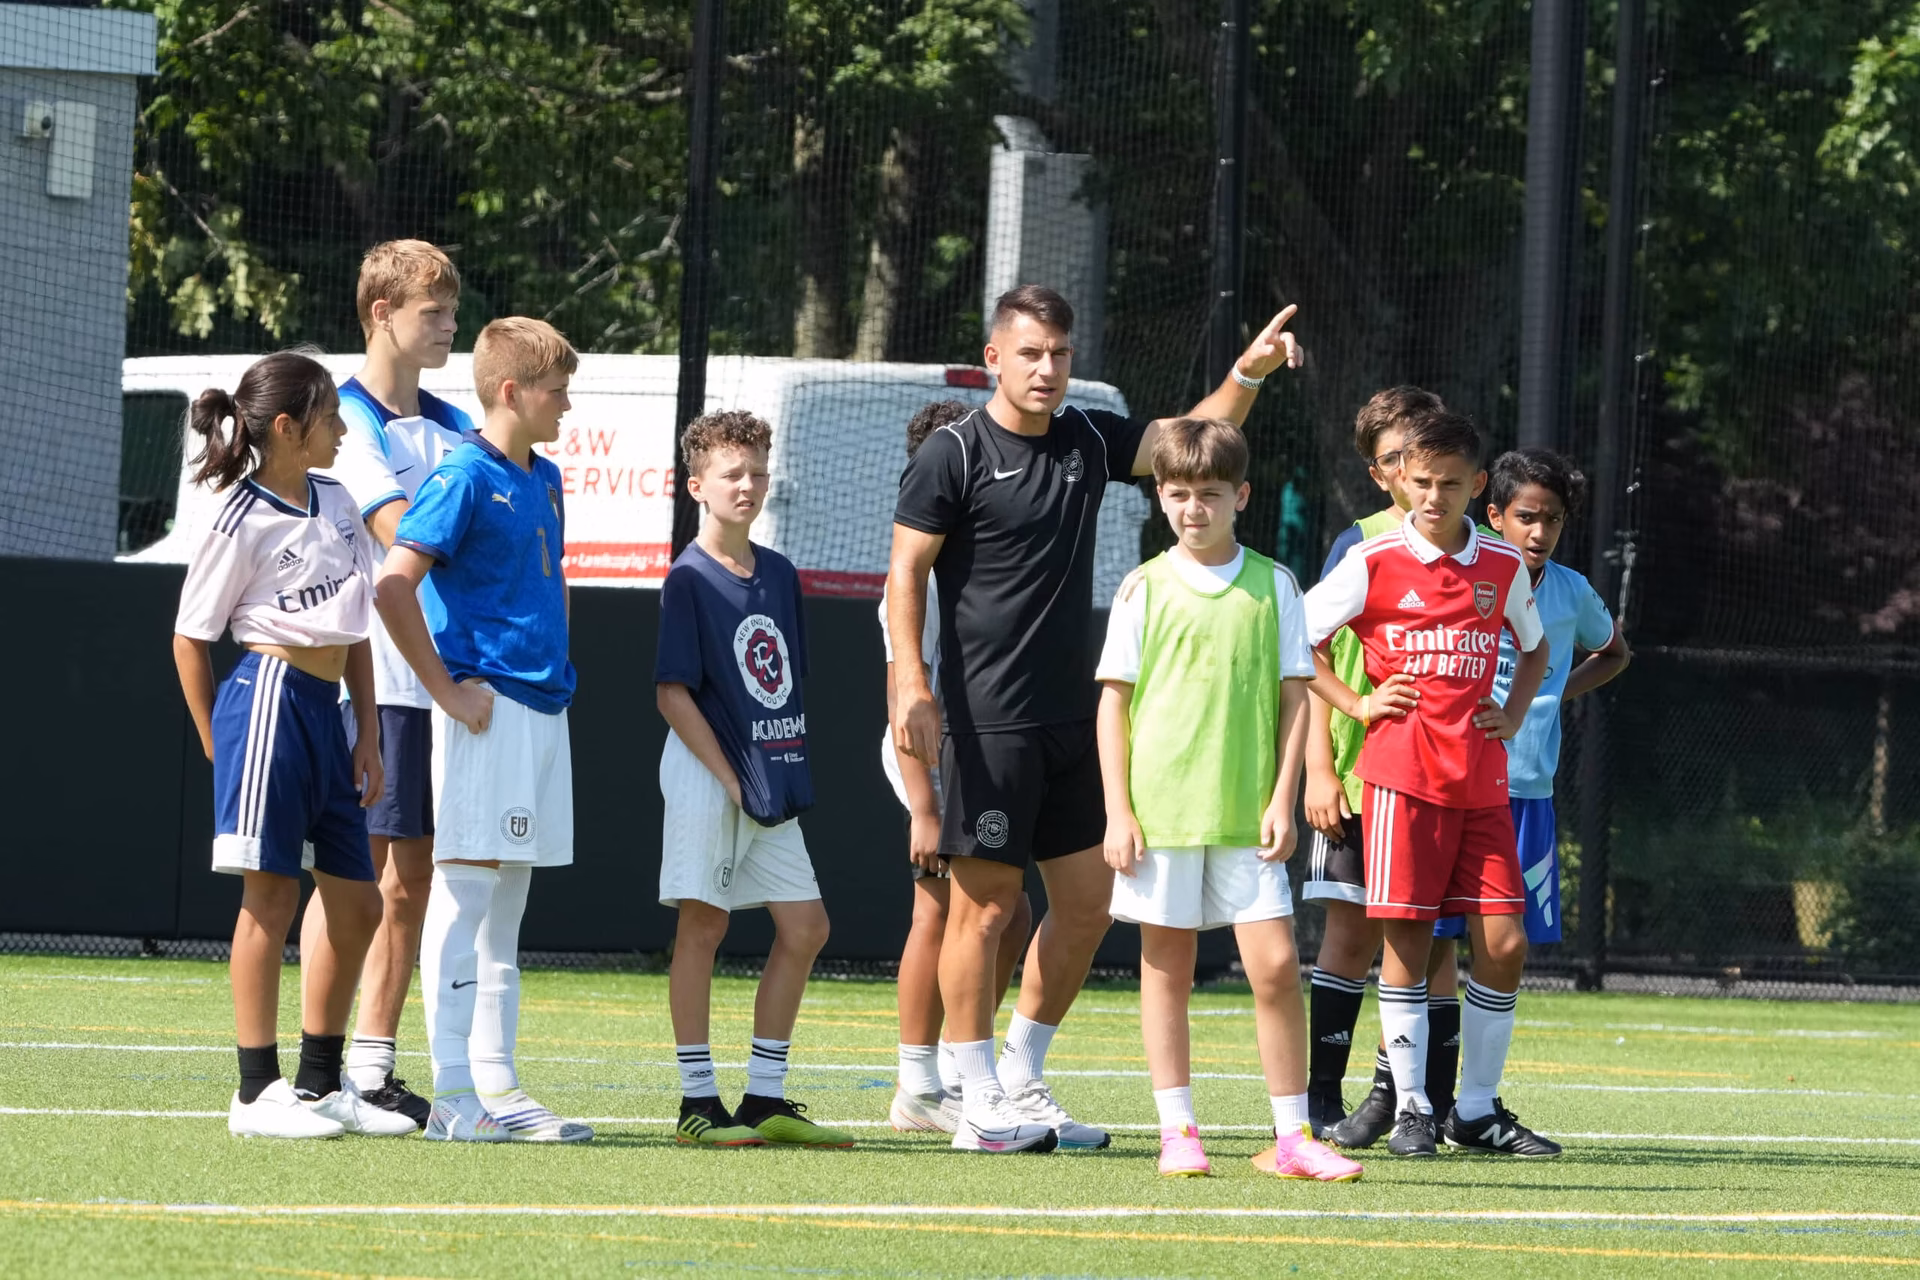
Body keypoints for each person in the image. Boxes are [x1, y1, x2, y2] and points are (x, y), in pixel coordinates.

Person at [888, 283, 1305, 1154]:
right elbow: (906, 573)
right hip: (987, 720)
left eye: (1060, 354)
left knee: (1089, 904)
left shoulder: (1084, 435)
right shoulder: (953, 453)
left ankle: (1018, 1075)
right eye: (1030, 353)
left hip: (1070, 717)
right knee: (985, 911)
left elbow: (1187, 443)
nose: (1047, 369)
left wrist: (1248, 372)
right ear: (994, 358)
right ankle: (973, 1101)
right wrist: (910, 682)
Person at [1095, 417, 1363, 1182]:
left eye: (1210, 494)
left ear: (1241, 496)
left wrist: (1283, 798)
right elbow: (1113, 706)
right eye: (1179, 493)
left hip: (1248, 818)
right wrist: (1119, 811)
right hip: (1161, 818)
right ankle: (1177, 1131)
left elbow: (1296, 698)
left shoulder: (1275, 585)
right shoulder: (1143, 587)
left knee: (1275, 968)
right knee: (1166, 969)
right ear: (1159, 496)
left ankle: (1292, 1137)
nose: (1194, 508)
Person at [1301, 410, 1561, 1158]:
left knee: (1504, 942)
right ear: (1398, 479)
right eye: (1421, 481)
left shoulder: (1502, 566)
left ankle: (1474, 1109)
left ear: (1477, 486)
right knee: (1408, 944)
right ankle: (1413, 1105)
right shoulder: (1374, 560)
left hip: (1481, 782)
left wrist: (1513, 712)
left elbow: (1536, 648)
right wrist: (1356, 705)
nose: (1433, 496)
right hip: (1400, 782)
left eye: (1450, 483)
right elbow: (1299, 636)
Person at [171, 351, 415, 1141]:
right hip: (267, 701)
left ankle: (319, 1086)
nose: (342, 428)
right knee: (271, 897)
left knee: (359, 903)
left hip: (325, 711)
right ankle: (254, 1092)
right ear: (286, 427)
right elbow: (189, 638)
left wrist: (368, 731)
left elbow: (355, 626)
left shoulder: (337, 499)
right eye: (329, 416)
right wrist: (217, 742)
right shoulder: (237, 516)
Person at [374, 316, 591, 1144]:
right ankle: (454, 1095)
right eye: (556, 391)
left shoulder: (548, 477)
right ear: (511, 392)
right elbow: (394, 587)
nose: (566, 405)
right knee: (465, 896)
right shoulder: (463, 474)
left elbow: (552, 580)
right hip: (487, 708)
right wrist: (446, 692)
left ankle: (498, 1084)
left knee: (508, 904)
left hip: (541, 706)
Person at [301, 239, 469, 1128]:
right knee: (351, 875)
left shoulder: (454, 423)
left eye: (452, 311)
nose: (450, 326)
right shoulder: (346, 418)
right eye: (433, 312)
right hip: (372, 679)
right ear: (382, 313)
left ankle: (371, 1067)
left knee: (413, 880)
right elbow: (398, 528)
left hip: (442, 679)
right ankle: (315, 1068)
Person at [655, 410, 854, 1150]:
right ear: (697, 486)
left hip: (767, 779)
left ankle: (764, 1098)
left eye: (759, 472)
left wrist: (777, 769)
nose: (748, 485)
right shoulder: (687, 577)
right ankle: (696, 1104)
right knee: (704, 925)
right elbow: (671, 694)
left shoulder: (779, 573)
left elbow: (784, 686)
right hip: (709, 775)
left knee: (807, 926)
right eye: (732, 474)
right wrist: (731, 777)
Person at [1301, 387, 1470, 1141]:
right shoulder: (1362, 544)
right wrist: (1319, 767)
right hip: (1361, 771)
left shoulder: (1471, 543)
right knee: (1350, 932)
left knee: (1435, 942)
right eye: (1397, 459)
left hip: (1445, 780)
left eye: (1422, 457)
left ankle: (1423, 1103)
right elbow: (1312, 652)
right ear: (1381, 473)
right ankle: (1321, 1096)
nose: (1414, 473)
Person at [882, 400, 1035, 1134]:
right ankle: (917, 1085)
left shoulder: (987, 561)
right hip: (929, 761)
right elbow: (902, 698)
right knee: (937, 910)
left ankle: (956, 1068)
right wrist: (924, 806)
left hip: (979, 746)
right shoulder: (915, 575)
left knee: (1012, 912)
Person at [1427, 449, 1632, 946]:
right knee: (1435, 939)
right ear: (1495, 516)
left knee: (1507, 944)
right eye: (1526, 517)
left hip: (1527, 790)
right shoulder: (1457, 576)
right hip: (1452, 785)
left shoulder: (1571, 590)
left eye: (1553, 520)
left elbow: (1614, 654)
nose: (1540, 533)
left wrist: (1552, 692)